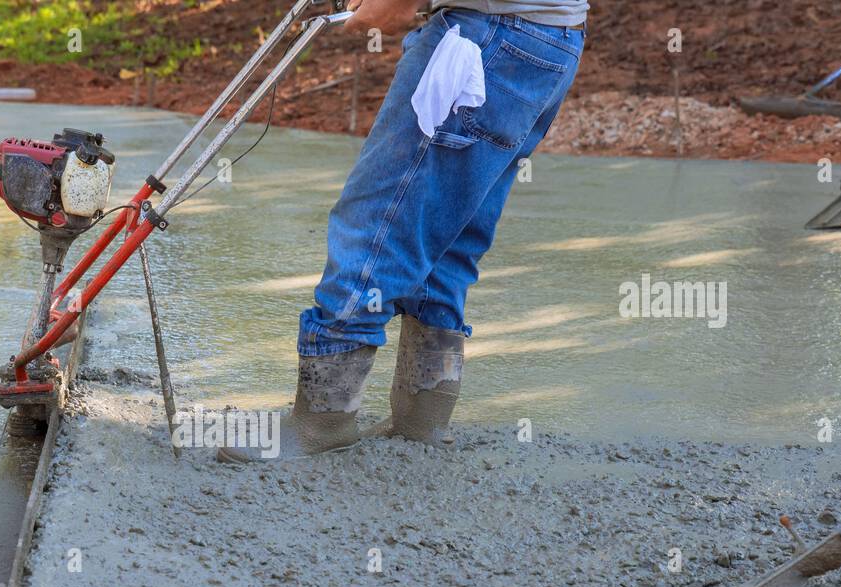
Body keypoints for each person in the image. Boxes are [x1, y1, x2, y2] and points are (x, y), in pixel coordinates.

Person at [219, 0, 587, 463]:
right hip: (549, 37)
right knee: (451, 228)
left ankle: (322, 421)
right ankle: (422, 418)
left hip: (484, 38)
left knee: (377, 217)